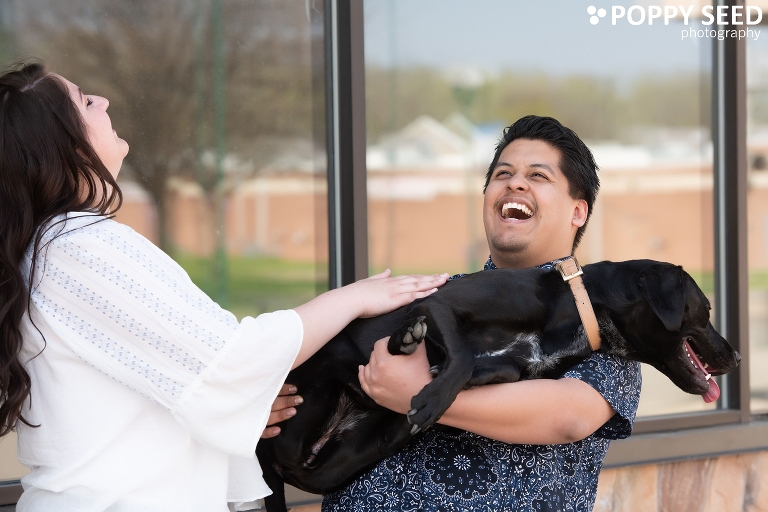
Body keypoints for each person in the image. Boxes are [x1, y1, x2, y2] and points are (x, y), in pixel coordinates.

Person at [0, 62, 449, 511]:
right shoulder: (80, 247)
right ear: (65, 144)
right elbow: (230, 361)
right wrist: (352, 298)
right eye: (84, 102)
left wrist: (239, 404)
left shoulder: (50, 250)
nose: (103, 101)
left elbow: (163, 380)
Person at [318, 116, 643, 511]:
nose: (515, 183)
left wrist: (421, 397)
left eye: (538, 175)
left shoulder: (600, 326)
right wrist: (269, 406)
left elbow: (569, 416)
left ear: (578, 211)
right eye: (503, 174)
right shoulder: (432, 293)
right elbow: (336, 372)